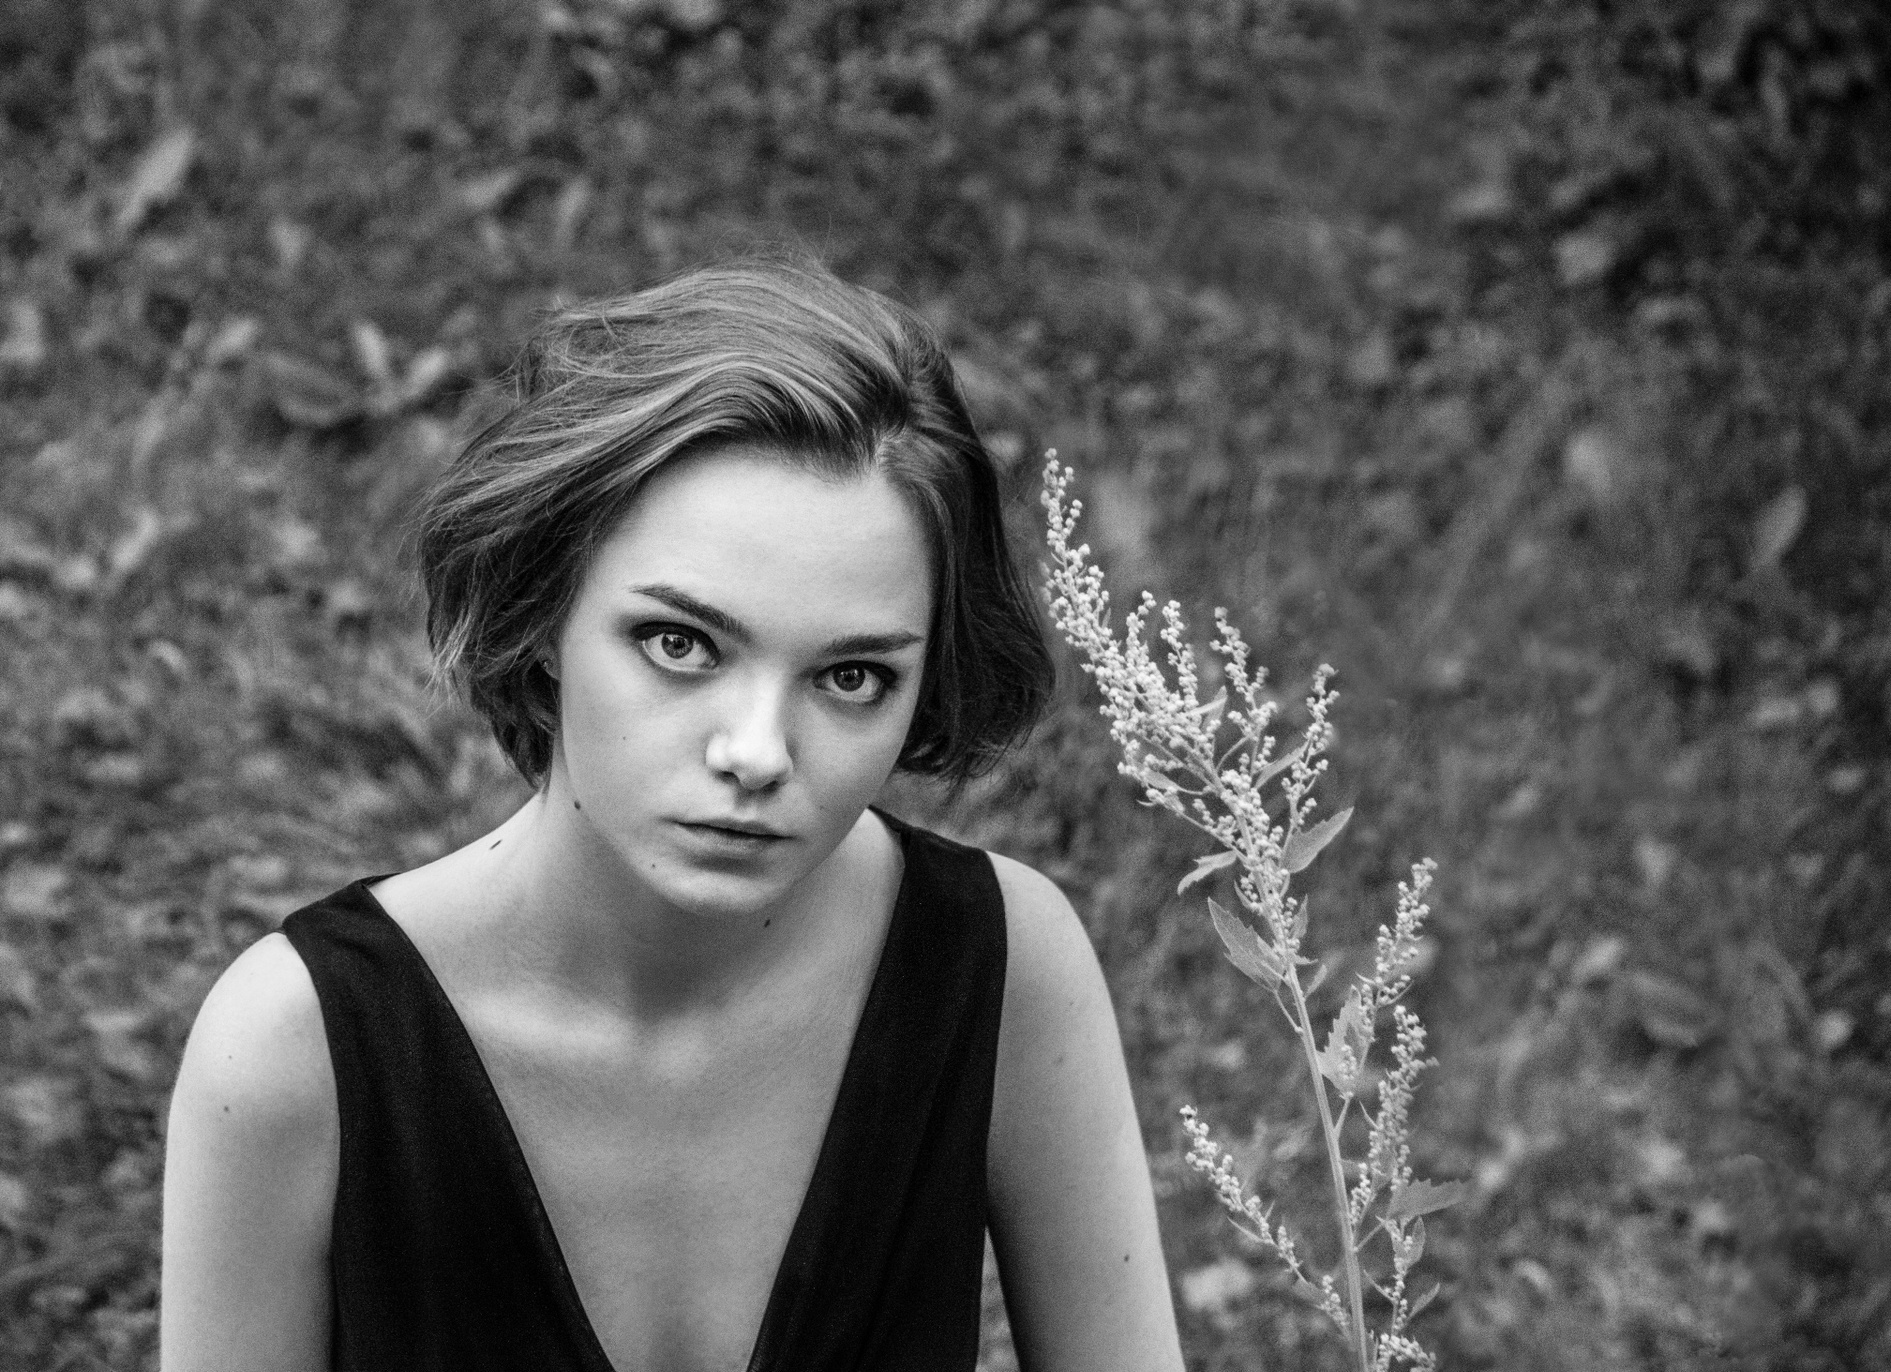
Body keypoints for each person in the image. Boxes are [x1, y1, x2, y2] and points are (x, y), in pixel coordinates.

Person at [158, 259, 1186, 1371]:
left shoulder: (1000, 967)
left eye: (851, 677)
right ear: (544, 613)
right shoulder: (295, 1052)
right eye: (680, 644)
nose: (757, 753)